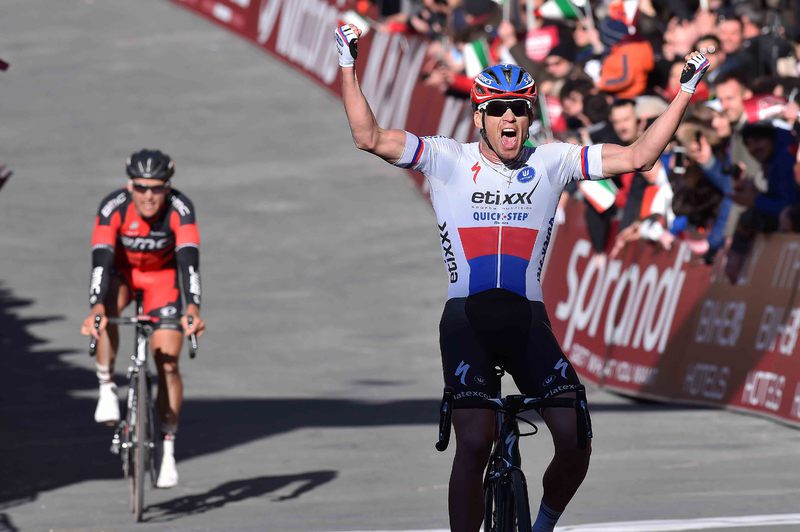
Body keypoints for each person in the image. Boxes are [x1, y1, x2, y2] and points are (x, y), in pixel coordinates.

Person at [335, 22, 708, 532]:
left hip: (527, 320)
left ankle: (541, 526)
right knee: (473, 440)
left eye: (519, 109)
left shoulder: (553, 160)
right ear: (480, 117)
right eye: (498, 109)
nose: (510, 117)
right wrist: (347, 64)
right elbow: (368, 137)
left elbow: (640, 156)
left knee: (576, 439)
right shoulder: (448, 158)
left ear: (531, 116)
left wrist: (685, 89)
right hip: (468, 318)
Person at [80, 149, 205, 489]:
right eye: (141, 187)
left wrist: (192, 308)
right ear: (129, 185)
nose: (149, 195)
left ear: (168, 186)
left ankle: (168, 446)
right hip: (123, 276)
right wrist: (95, 307)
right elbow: (101, 260)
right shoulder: (112, 207)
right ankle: (107, 385)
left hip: (162, 281)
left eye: (157, 188)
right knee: (105, 312)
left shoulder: (181, 208)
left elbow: (188, 261)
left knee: (167, 364)